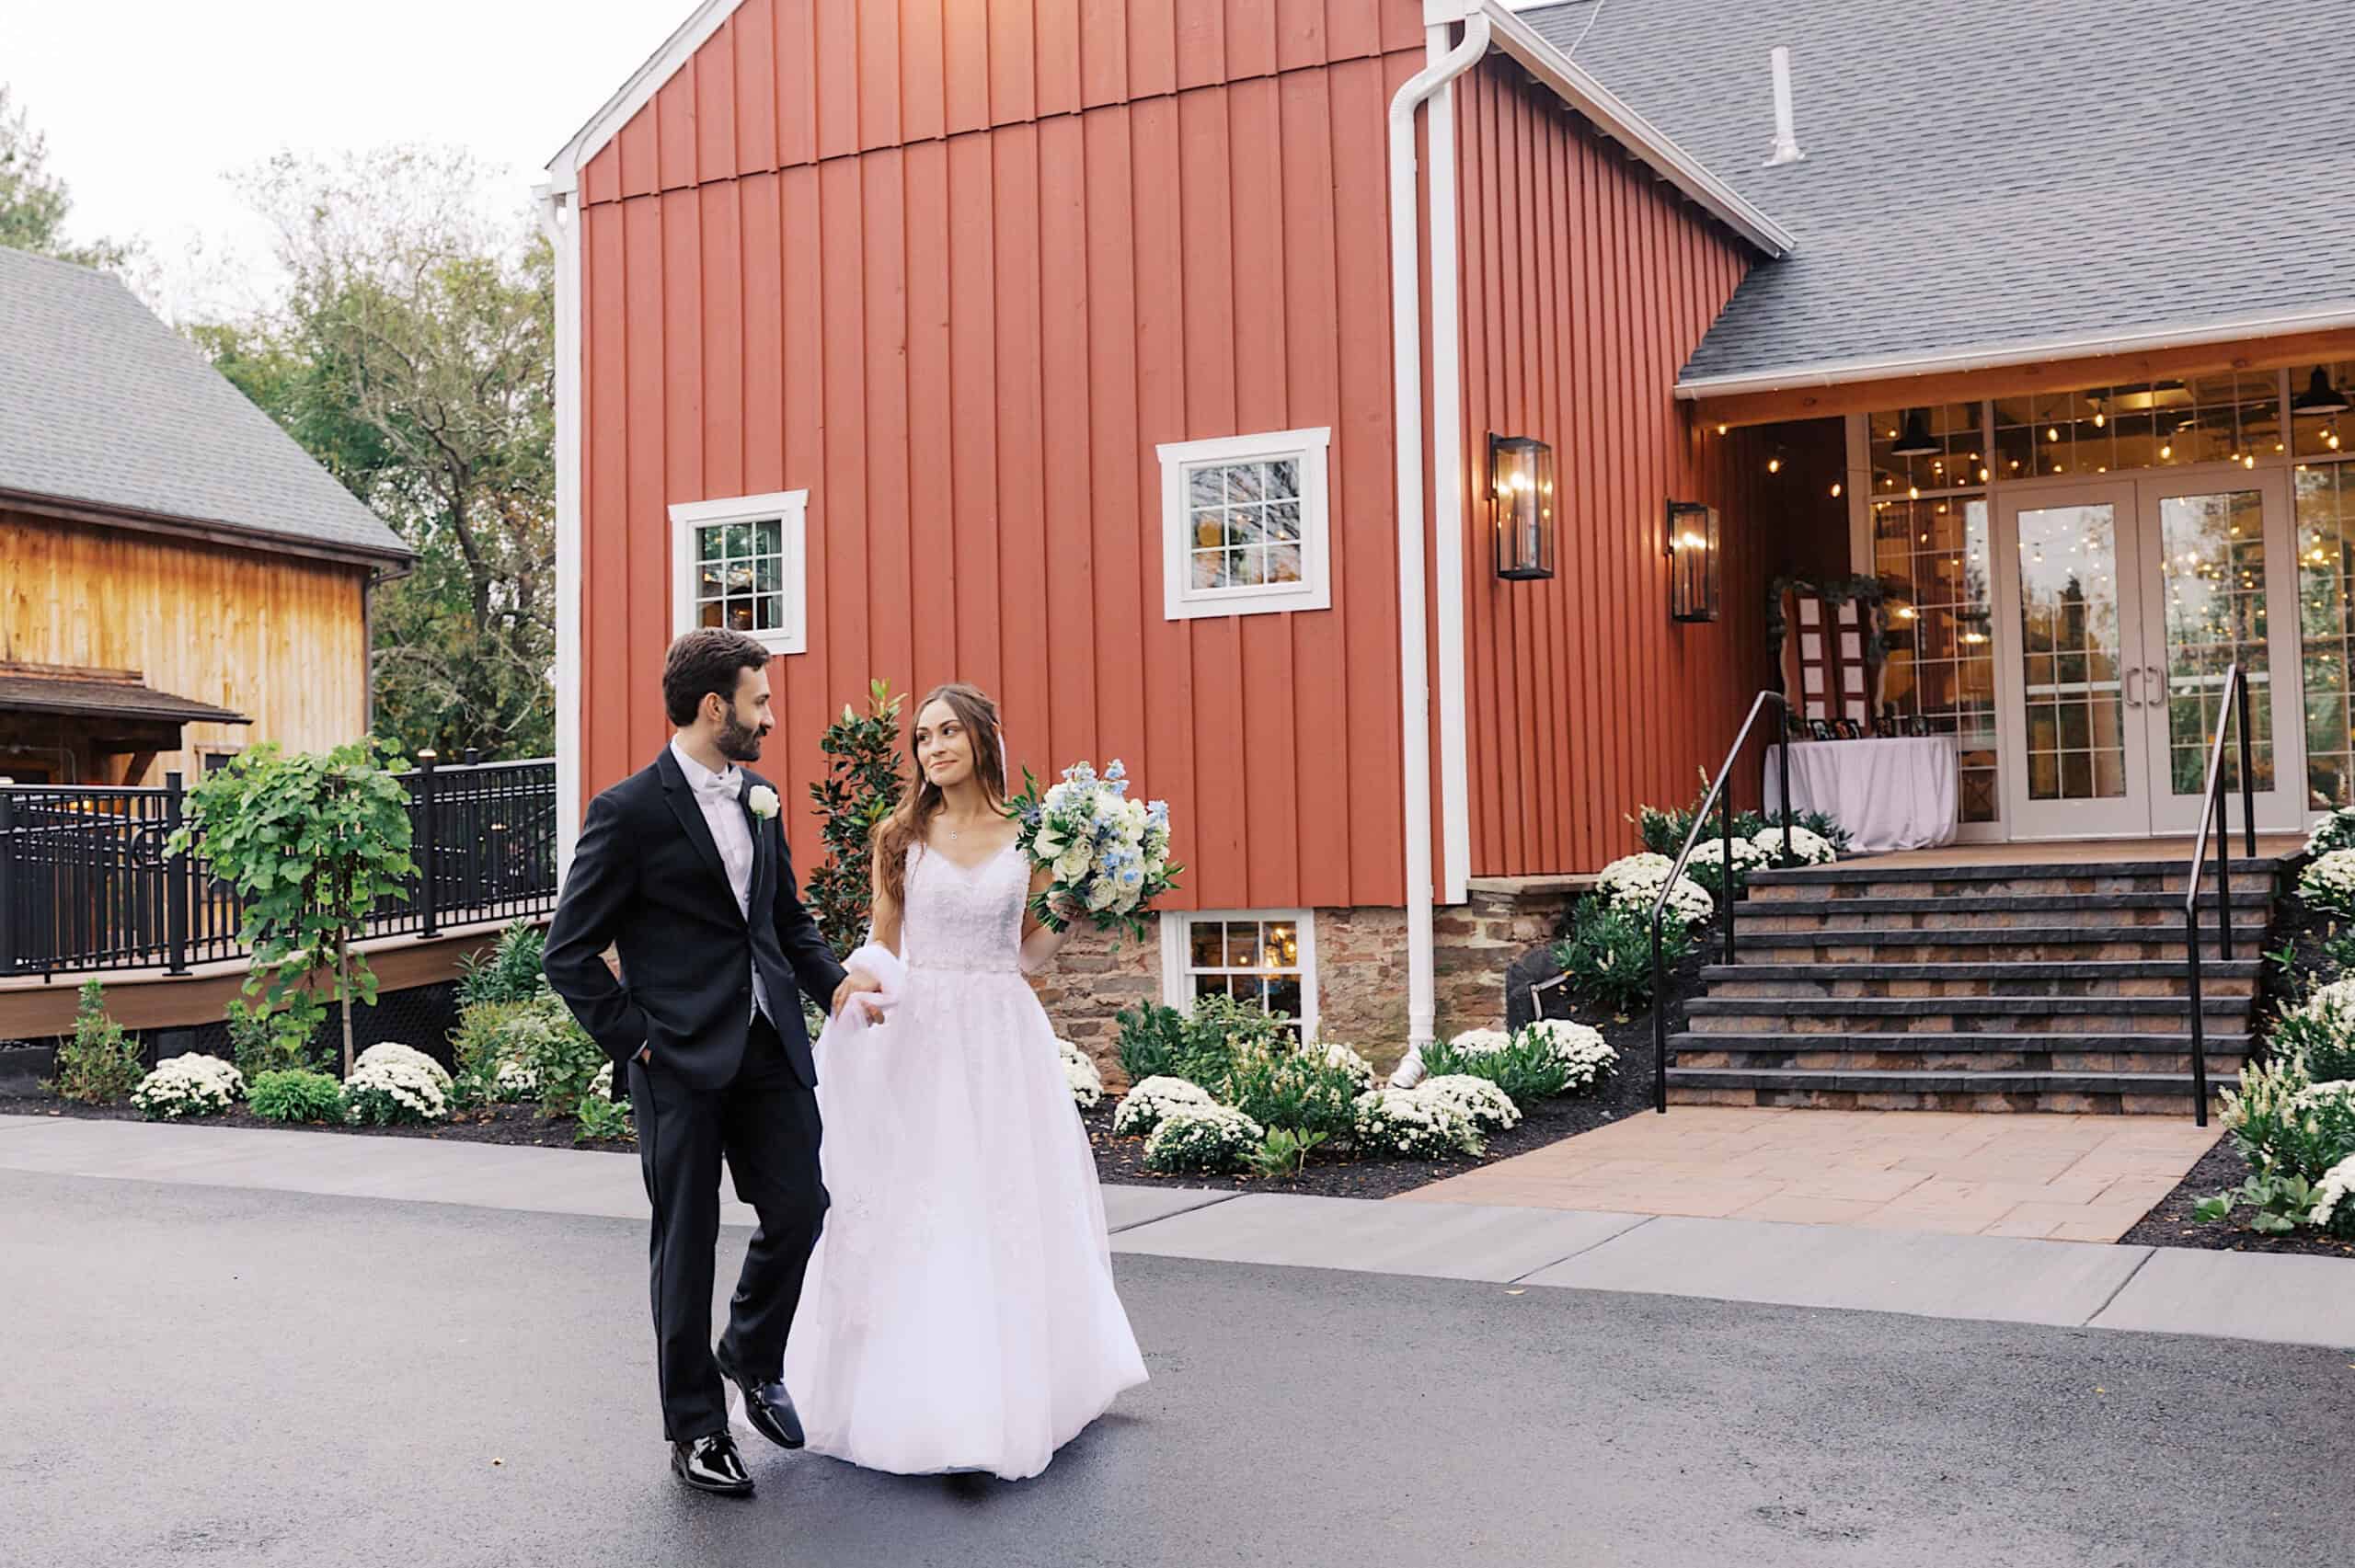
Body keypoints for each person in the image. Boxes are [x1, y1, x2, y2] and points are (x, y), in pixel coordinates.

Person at [543, 628, 883, 1498]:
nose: (771, 715)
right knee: (685, 1248)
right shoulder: (628, 812)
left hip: (769, 1046)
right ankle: (696, 1430)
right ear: (712, 707)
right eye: (759, 700)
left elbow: (782, 919)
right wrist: (638, 1041)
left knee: (802, 1208)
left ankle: (750, 1351)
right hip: (678, 1061)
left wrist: (836, 986)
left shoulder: (760, 795)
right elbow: (570, 953)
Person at [783, 681, 1147, 1481]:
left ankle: (1012, 1391)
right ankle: (923, 1399)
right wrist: (852, 995)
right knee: (927, 1199)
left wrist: (1081, 899)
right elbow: (883, 944)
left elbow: (1026, 954)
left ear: (982, 738)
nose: (934, 747)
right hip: (922, 1030)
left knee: (1003, 1199)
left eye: (949, 731)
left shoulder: (1033, 835)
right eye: (922, 737)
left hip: (1001, 1033)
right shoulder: (899, 836)